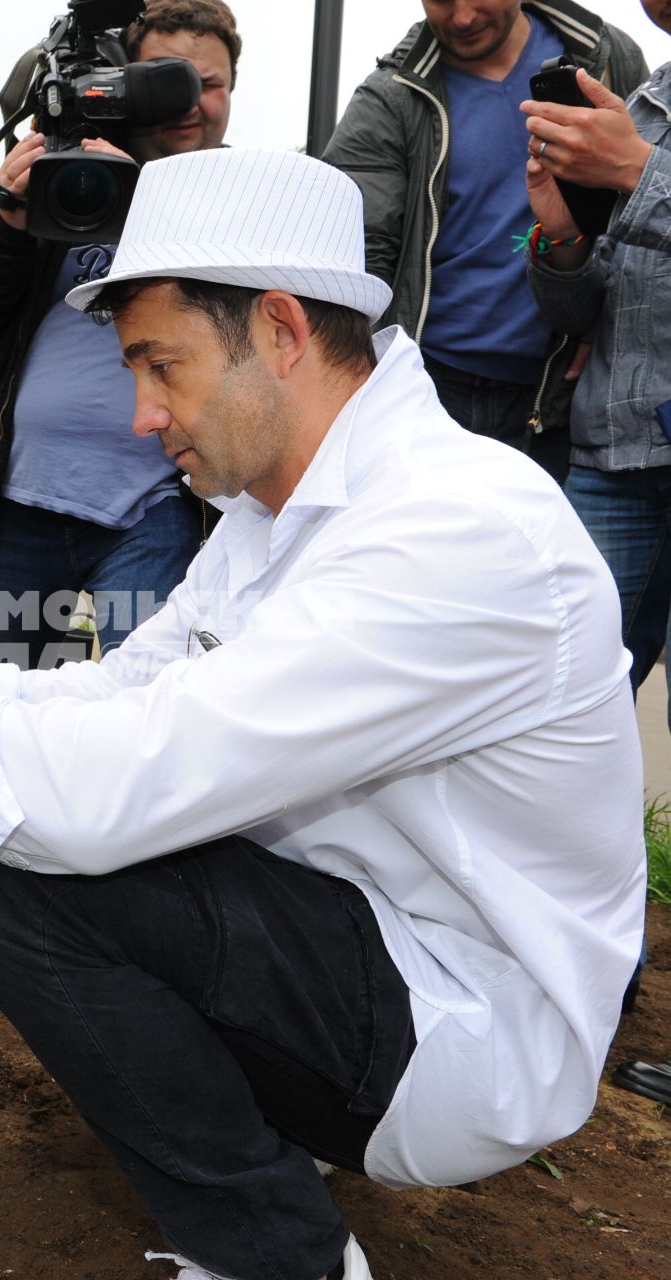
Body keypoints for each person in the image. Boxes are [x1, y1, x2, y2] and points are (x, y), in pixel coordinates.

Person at [0, 148, 644, 1280]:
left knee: (34, 891)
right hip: (351, 933)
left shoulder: (452, 527)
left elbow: (96, 794)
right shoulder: (273, 512)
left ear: (278, 329)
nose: (141, 414)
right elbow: (118, 693)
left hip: (461, 1019)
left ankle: (279, 1253)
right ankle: (262, 1118)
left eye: (160, 366)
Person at [0, 0, 240, 667]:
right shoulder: (63, 185)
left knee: (154, 702)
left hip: (158, 508)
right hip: (18, 501)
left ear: (232, 93)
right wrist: (8, 223)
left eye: (208, 84)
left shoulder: (243, 199)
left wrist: (144, 205)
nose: (190, 101)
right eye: (167, 78)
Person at [522, 0, 671, 1108]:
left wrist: (641, 180)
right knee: (551, 727)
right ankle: (554, 998)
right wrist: (563, 235)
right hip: (612, 458)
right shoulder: (645, 101)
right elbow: (584, 312)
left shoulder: (639, 136)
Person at [322, 0, 646, 483]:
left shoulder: (606, 57)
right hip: (430, 387)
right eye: (441, 0)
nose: (463, 17)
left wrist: (608, 327)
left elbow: (645, 210)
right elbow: (353, 256)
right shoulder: (390, 96)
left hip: (567, 390)